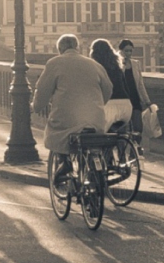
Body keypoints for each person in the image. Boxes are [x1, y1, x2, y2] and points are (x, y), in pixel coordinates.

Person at [31, 33, 113, 188]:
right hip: (95, 119)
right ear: (77, 47)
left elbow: (42, 91)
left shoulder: (54, 63)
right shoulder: (94, 64)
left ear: (60, 49)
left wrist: (36, 107)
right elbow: (108, 88)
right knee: (89, 143)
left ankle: (64, 162)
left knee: (55, 133)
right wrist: (98, 105)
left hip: (68, 119)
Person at [90, 38, 151, 137]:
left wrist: (146, 100)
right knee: (120, 133)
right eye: (126, 51)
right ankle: (124, 150)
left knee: (102, 134)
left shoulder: (98, 67)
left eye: (130, 51)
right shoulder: (117, 65)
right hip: (126, 101)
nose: (129, 53)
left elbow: (140, 84)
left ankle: (117, 150)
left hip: (115, 102)